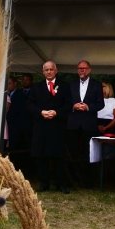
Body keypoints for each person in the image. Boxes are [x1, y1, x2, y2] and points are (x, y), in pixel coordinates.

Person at [28, 60, 72, 193]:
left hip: (58, 127)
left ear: (56, 70)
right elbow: (30, 105)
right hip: (41, 127)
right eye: (46, 70)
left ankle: (61, 183)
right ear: (43, 72)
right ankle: (43, 182)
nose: (49, 72)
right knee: (41, 155)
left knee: (59, 156)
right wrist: (41, 112)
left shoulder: (64, 86)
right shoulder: (36, 87)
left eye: (51, 69)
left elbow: (68, 105)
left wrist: (56, 112)